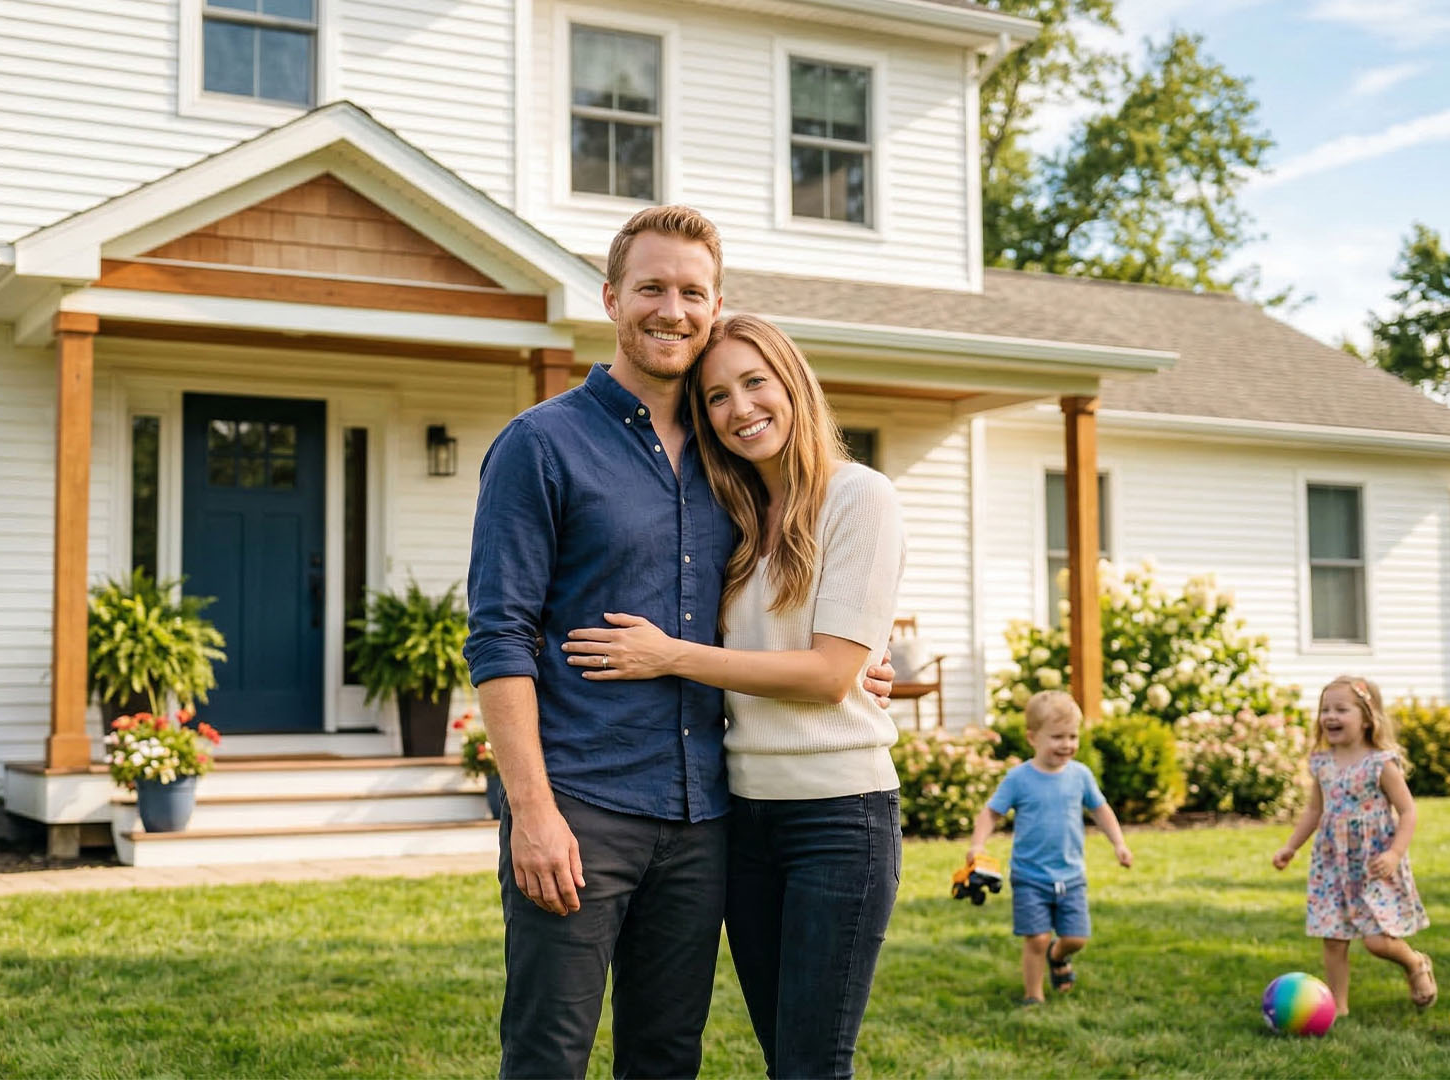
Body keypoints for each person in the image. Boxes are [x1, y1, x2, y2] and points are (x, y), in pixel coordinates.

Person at [464, 207, 893, 1079]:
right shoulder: (541, 445)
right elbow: (499, 635)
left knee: (666, 1057)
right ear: (613, 297)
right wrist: (533, 812)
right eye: (653, 287)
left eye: (692, 291)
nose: (673, 308)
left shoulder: (729, 461)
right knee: (548, 1054)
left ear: (715, 303)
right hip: (581, 805)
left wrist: (855, 667)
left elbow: (795, 589)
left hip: (706, 820)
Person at [562, 313, 906, 1079]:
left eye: (756, 383)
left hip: (839, 817)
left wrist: (668, 656)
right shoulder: (737, 515)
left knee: (813, 1065)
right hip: (745, 820)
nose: (741, 408)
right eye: (716, 397)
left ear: (794, 383)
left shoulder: (860, 496)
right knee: (783, 1055)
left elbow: (825, 675)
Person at [1273, 675, 1438, 1015]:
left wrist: (1394, 853)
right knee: (1333, 939)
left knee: (1377, 941)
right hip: (1332, 864)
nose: (1330, 716)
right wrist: (1291, 846)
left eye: (1341, 709)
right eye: (1325, 709)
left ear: (1367, 718)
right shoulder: (1321, 763)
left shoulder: (1381, 763)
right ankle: (1338, 1008)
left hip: (1373, 863)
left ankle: (1415, 964)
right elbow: (1315, 810)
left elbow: (1407, 811)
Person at [964, 690, 1133, 1006]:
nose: (1067, 744)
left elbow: (1101, 810)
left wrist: (1119, 844)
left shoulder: (1080, 775)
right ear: (1033, 737)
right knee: (1036, 938)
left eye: (1072, 736)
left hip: (1071, 876)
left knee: (1076, 938)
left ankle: (1059, 955)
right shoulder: (1019, 779)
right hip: (1030, 875)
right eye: (1057, 737)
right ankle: (1033, 996)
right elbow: (991, 813)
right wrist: (977, 844)